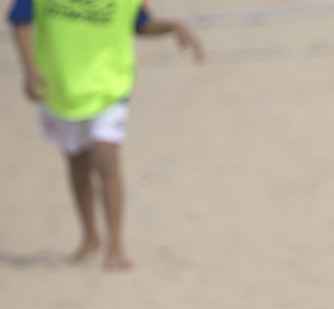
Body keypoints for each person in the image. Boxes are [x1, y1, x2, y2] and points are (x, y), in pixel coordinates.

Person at [8, 0, 202, 271]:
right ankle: (90, 237)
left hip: (110, 84)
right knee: (77, 159)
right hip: (61, 86)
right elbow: (19, 18)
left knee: (106, 156)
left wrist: (172, 26)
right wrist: (29, 70)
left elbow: (140, 24)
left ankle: (115, 248)